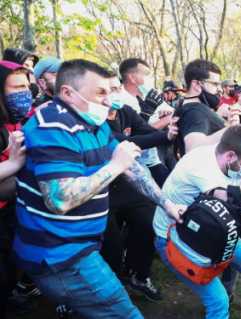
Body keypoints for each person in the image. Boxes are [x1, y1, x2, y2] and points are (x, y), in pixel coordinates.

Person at [13, 59, 185, 318]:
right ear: (68, 93)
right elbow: (59, 199)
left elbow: (132, 167)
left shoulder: (93, 122)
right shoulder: (53, 126)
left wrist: (166, 203)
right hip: (61, 256)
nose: (109, 99)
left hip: (78, 247)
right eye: (101, 92)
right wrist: (114, 166)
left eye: (111, 91)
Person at [153, 124, 241, 319]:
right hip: (173, 237)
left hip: (204, 228)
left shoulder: (221, 152)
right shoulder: (205, 171)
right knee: (218, 301)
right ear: (230, 156)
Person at [100, 73, 179, 301]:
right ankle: (108, 288)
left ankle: (139, 275)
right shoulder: (94, 121)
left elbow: (146, 132)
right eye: (105, 90)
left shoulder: (126, 111)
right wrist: (165, 136)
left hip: (127, 181)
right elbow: (125, 142)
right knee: (111, 245)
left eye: (115, 89)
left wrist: (168, 132)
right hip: (99, 188)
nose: (113, 95)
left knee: (149, 222)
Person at [0, 60, 30, 317]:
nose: (25, 92)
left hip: (11, 208)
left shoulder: (16, 120)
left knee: (11, 264)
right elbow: (13, 163)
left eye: (27, 86)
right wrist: (12, 164)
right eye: (17, 86)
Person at [119, 58, 172, 185]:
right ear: (132, 77)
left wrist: (163, 116)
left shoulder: (146, 97)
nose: (148, 78)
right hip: (136, 164)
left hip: (154, 158)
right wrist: (165, 120)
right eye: (145, 74)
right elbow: (137, 132)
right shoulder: (122, 100)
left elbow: (171, 112)